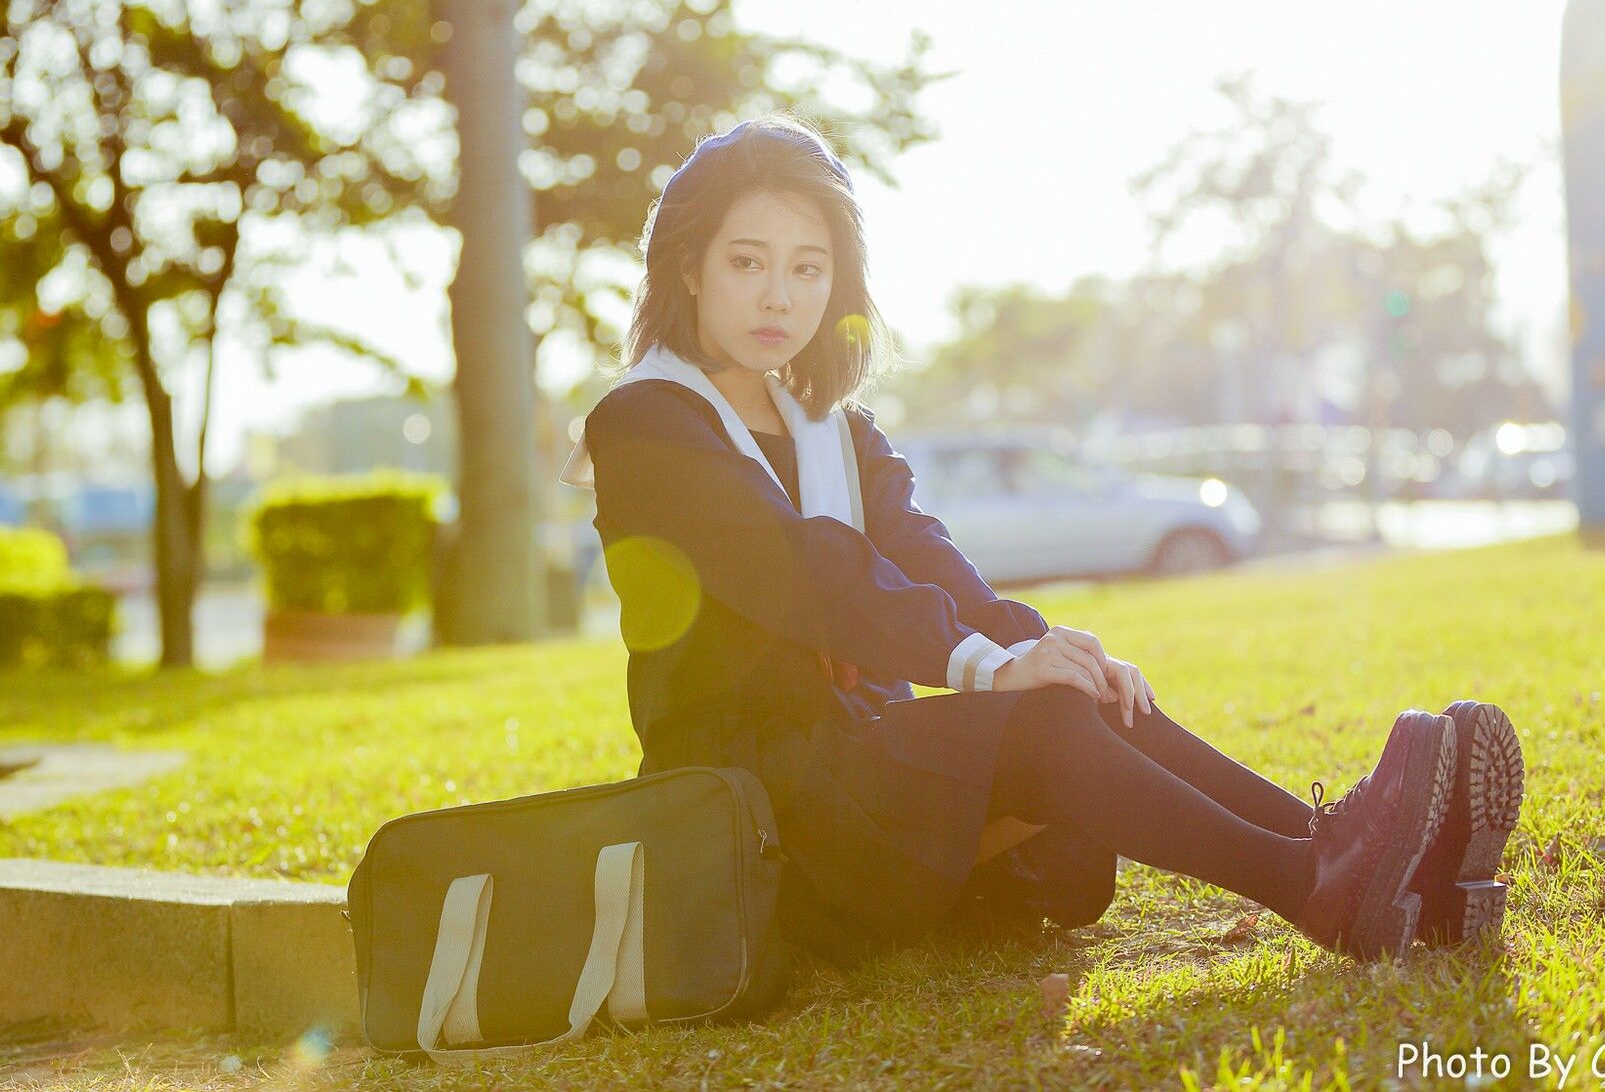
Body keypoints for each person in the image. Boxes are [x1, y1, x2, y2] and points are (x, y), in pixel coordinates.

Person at [560, 114, 1525, 968]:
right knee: (1041, 719)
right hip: (753, 804)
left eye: (807, 267)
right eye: (747, 261)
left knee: (1075, 693)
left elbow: (927, 554)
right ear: (688, 266)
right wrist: (985, 666)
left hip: (854, 769)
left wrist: (1042, 648)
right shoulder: (647, 424)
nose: (779, 295)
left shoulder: (834, 427)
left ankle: (1369, 860)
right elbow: (807, 575)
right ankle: (1320, 883)